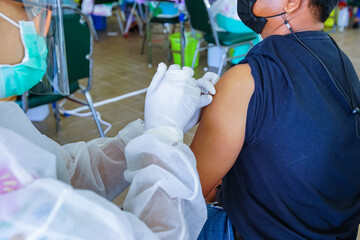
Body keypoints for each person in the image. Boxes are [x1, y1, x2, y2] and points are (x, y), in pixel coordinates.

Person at [0, 0, 220, 238]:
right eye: (27, 9)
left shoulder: (6, 120)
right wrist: (162, 135)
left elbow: (67, 173)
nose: (41, 27)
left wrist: (152, 129)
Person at [191, 0, 360, 239]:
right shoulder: (343, 65)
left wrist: (163, 129)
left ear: (292, 3)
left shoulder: (245, 81)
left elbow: (187, 190)